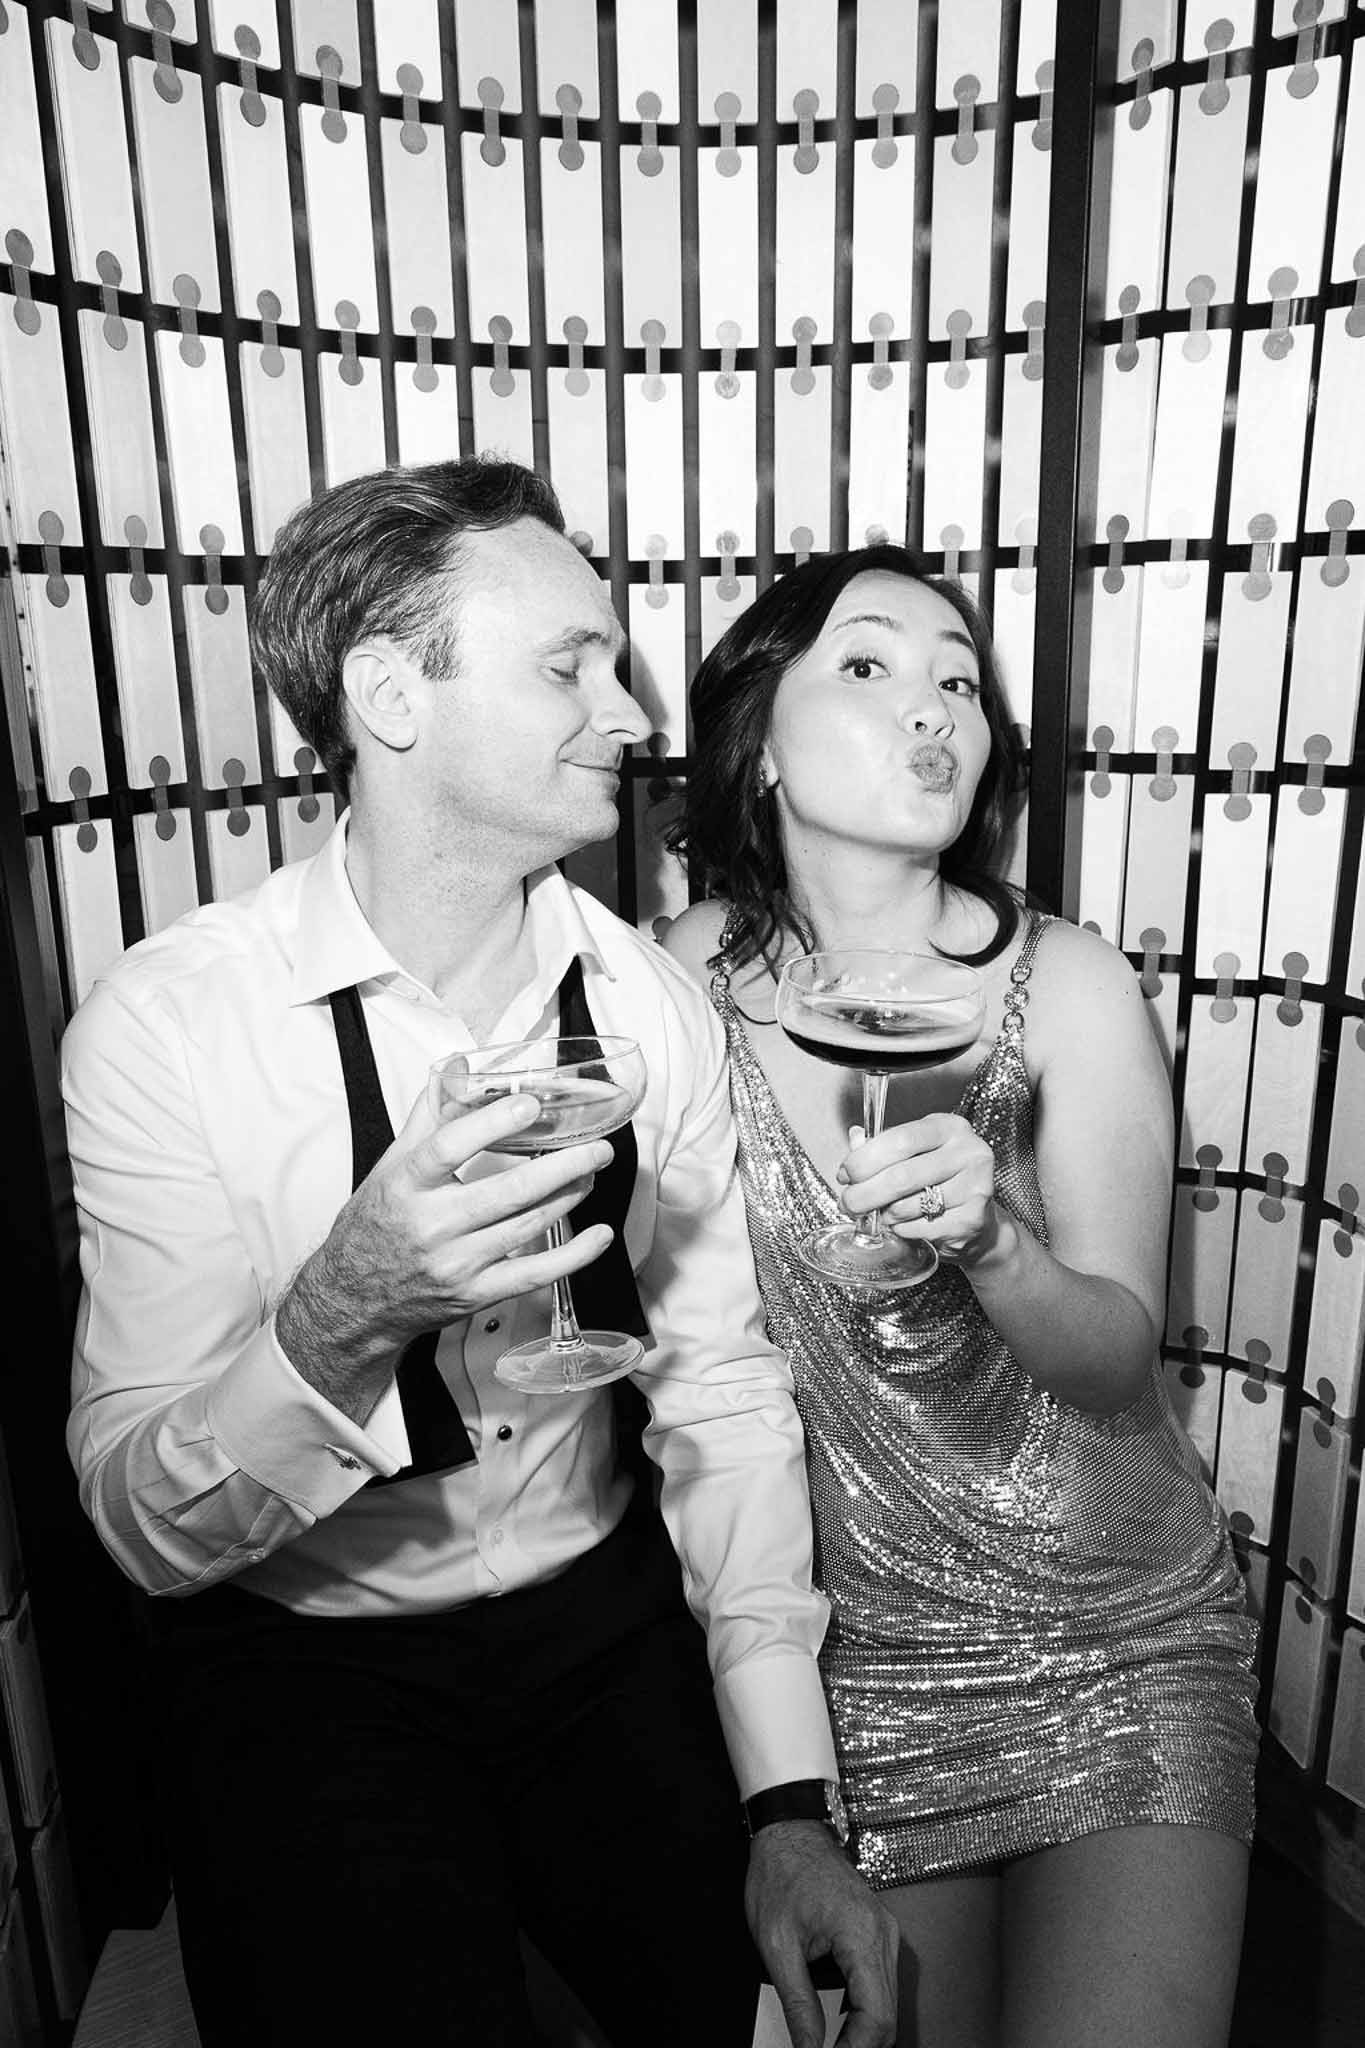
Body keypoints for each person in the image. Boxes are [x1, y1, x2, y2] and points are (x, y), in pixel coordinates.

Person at [62, 460, 899, 2048]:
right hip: (299, 1662)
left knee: (777, 2020)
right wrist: (343, 1309)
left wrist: (792, 1802)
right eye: (570, 664)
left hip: (600, 1627)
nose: (635, 714)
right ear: (391, 696)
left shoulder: (649, 1008)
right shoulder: (168, 1028)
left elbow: (719, 1389)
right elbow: (142, 1531)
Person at [661, 544, 1261, 2048]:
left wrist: (995, 1244)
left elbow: (1119, 1360)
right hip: (862, 1670)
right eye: (865, 665)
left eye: (956, 680)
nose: (932, 705)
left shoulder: (1061, 981)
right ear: (757, 744)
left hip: (1116, 1630)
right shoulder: (675, 987)